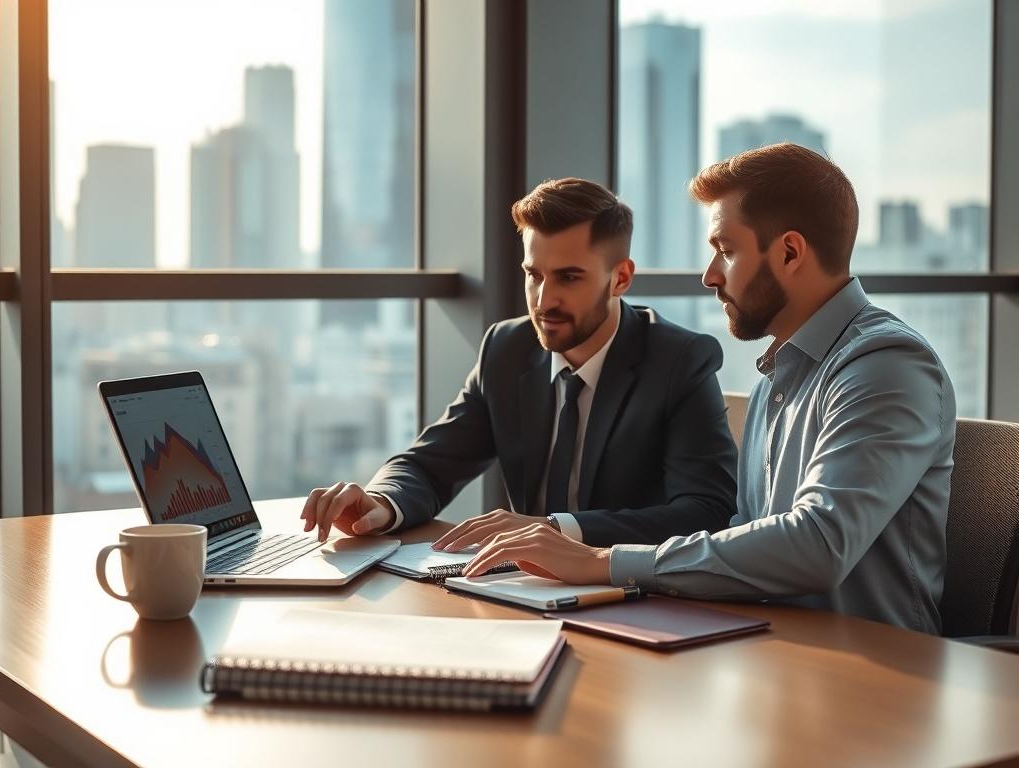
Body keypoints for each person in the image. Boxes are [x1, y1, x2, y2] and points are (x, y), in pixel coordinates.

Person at [461, 145, 957, 634]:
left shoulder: (886, 365)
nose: (710, 275)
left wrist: (602, 560)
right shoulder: (778, 377)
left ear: (789, 252)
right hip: (770, 653)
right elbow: (741, 533)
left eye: (726, 251)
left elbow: (819, 543)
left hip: (876, 679)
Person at [300, 177, 738, 548]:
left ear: (620, 277)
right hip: (525, 595)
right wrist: (381, 503)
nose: (544, 301)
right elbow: (431, 464)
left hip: (632, 597)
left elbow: (707, 511)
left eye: (568, 277)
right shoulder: (507, 349)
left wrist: (555, 532)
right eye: (534, 275)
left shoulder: (678, 362)